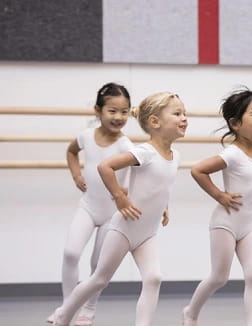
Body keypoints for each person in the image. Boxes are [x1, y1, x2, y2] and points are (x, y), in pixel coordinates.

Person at [52, 92, 188, 326]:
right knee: (100, 279)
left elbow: (161, 184)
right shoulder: (144, 152)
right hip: (124, 229)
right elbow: (106, 167)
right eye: (177, 114)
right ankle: (64, 315)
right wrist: (119, 198)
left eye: (184, 113)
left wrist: (164, 207)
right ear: (155, 122)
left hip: (148, 232)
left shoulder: (175, 155)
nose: (184, 118)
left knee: (154, 278)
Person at [47, 82, 133, 326]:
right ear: (98, 110)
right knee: (71, 252)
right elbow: (71, 152)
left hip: (111, 214)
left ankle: (89, 308)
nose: (118, 117)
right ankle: (66, 307)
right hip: (88, 206)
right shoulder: (86, 137)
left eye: (124, 112)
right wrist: (76, 175)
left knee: (98, 265)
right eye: (112, 111)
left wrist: (126, 191)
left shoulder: (126, 145)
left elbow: (142, 171)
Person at [182, 89, 252, 326]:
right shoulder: (232, 154)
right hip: (225, 224)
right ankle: (190, 312)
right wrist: (219, 195)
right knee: (219, 277)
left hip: (248, 225)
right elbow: (198, 170)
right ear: (235, 124)